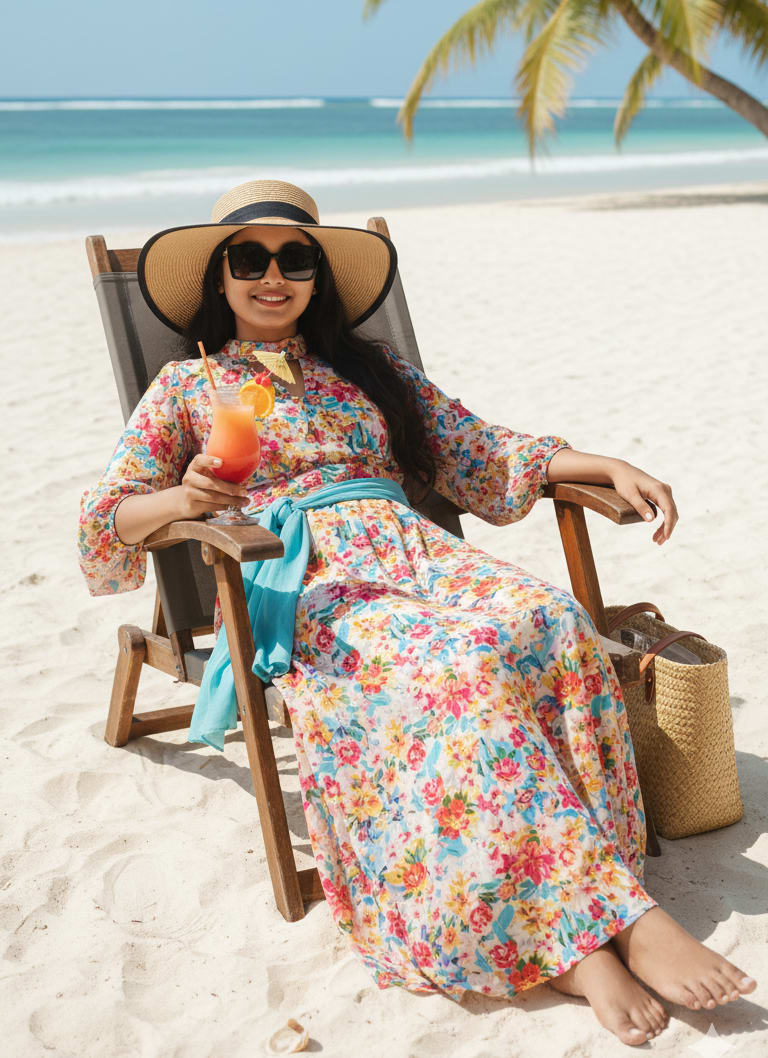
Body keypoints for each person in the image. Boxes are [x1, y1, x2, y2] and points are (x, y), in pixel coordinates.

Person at [78, 179, 755, 1045]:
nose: (273, 276)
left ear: (320, 278)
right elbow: (108, 522)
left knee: (545, 620)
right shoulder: (187, 386)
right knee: (456, 666)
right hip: (301, 572)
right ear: (221, 279)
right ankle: (594, 938)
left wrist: (604, 460)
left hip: (417, 552)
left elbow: (480, 449)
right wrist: (184, 493)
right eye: (250, 259)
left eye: (297, 259)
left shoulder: (372, 371)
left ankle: (601, 903)